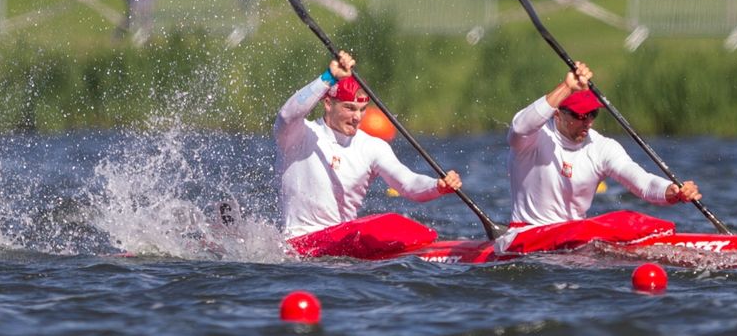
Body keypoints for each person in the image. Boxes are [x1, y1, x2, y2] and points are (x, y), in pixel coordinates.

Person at [272, 51, 463, 258]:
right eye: (349, 108)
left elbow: (408, 183)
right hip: (299, 246)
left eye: (362, 109)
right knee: (380, 226)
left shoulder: (372, 147)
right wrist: (328, 77)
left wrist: (438, 186)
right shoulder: (299, 135)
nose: (357, 117)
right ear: (328, 103)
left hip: (345, 250)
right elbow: (286, 114)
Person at [497, 61, 701, 253]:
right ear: (558, 114)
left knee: (630, 219)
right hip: (527, 236)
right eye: (579, 115)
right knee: (591, 229)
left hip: (575, 242)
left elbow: (643, 182)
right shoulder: (533, 139)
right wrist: (567, 87)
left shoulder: (601, 147)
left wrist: (672, 191)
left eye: (592, 114)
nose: (587, 122)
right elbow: (519, 126)